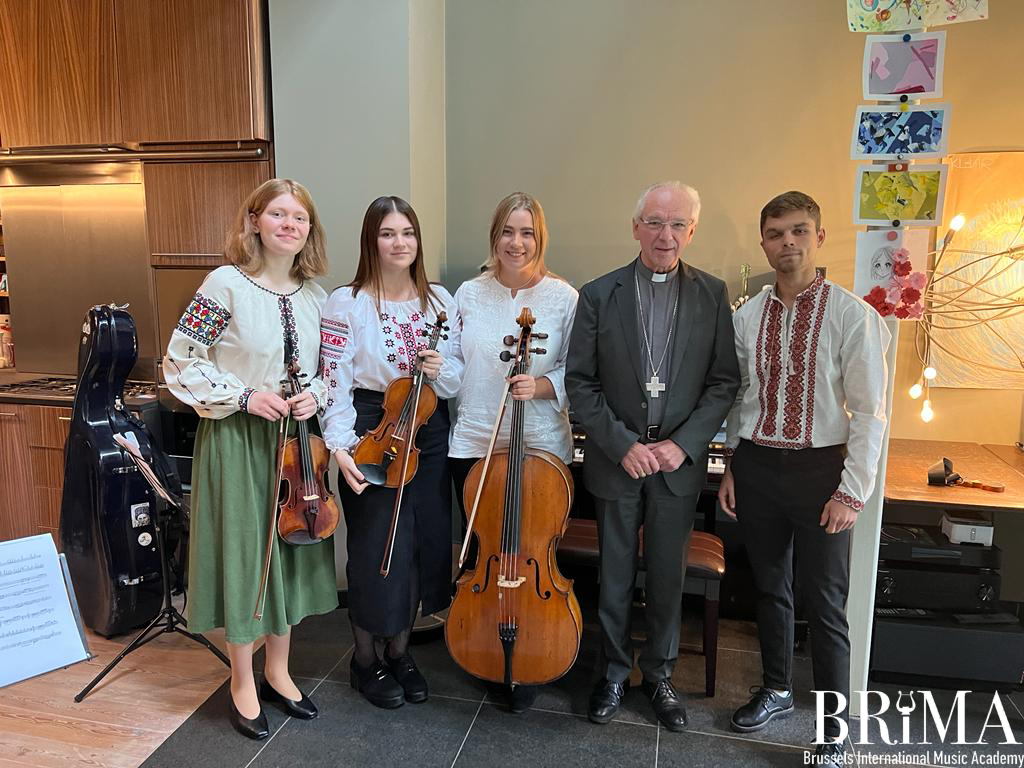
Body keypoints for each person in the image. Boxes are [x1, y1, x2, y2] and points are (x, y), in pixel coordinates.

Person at [718, 191, 890, 766]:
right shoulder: (746, 315)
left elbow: (870, 412)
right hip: (760, 467)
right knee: (770, 587)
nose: (786, 243)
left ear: (819, 236)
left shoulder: (851, 314)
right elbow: (742, 397)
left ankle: (834, 726)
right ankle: (775, 689)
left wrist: (853, 489)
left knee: (826, 602)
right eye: (775, 233)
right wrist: (733, 465)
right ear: (763, 242)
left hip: (823, 473)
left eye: (797, 231)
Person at [164, 178, 338, 740]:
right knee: (246, 554)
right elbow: (182, 359)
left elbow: (331, 372)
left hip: (295, 445)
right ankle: (242, 680)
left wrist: (318, 394)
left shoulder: (316, 295)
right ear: (256, 220)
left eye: (301, 218)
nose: (290, 225)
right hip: (238, 440)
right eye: (279, 215)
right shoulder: (225, 286)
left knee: (287, 551)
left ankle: (279, 671)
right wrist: (242, 396)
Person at [566, 181, 739, 732]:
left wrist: (680, 445)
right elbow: (580, 383)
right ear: (635, 226)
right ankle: (613, 672)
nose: (667, 235)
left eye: (678, 224)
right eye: (656, 222)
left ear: (692, 230)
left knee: (666, 574)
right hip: (618, 461)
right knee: (615, 573)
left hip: (676, 464)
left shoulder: (712, 294)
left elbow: (723, 383)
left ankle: (659, 675)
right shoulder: (599, 294)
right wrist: (623, 444)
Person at [320, 196, 460, 709]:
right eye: (387, 233)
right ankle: (364, 660)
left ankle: (400, 653)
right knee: (377, 549)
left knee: (421, 544)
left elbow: (457, 378)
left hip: (428, 425)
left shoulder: (440, 300)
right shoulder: (346, 302)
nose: (399, 243)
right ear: (371, 241)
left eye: (407, 233)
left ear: (418, 241)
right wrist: (340, 447)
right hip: (370, 425)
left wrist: (440, 366)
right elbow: (333, 381)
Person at [448, 192, 578, 713]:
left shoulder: (564, 298)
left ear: (539, 238)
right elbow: (459, 369)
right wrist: (436, 368)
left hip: (540, 445)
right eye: (508, 231)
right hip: (477, 440)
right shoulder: (468, 294)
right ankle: (484, 645)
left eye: (527, 233)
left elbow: (581, 371)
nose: (516, 242)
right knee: (487, 555)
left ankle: (535, 652)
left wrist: (543, 386)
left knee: (533, 549)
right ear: (494, 237)